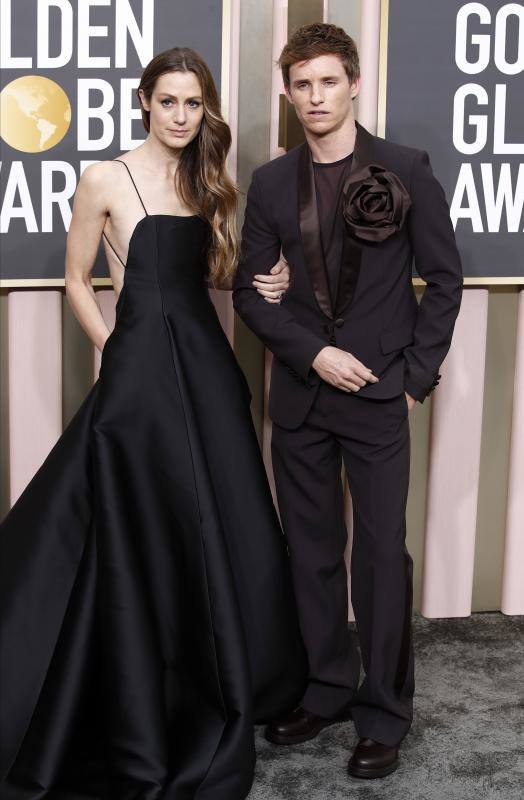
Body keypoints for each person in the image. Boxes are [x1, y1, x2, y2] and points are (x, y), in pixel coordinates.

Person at [0, 47, 307, 800]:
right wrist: (109, 345)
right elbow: (77, 277)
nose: (180, 115)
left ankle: (243, 669)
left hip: (205, 363)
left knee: (226, 507)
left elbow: (201, 277)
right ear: (143, 102)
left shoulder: (204, 180)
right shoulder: (105, 176)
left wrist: (263, 278)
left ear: (204, 110)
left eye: (192, 104)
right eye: (167, 101)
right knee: (144, 513)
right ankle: (141, 678)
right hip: (139, 365)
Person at [233, 22, 463, 779]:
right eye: (301, 84)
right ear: (289, 92)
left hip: (377, 399)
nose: (314, 96)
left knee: (379, 560)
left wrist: (413, 378)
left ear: (354, 84)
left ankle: (384, 711)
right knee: (311, 553)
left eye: (328, 81)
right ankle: (328, 686)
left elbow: (444, 280)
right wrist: (313, 353)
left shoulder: (404, 168)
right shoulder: (269, 184)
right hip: (301, 397)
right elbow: (251, 295)